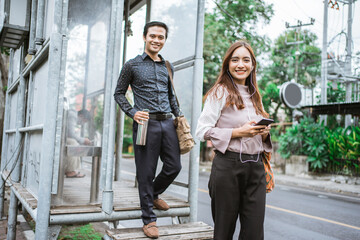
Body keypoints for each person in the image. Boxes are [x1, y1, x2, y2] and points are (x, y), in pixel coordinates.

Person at [196, 40, 272, 240]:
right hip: (227, 166)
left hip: (255, 167)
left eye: (246, 60)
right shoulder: (220, 91)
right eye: (235, 59)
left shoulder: (256, 95)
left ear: (253, 65)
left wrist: (263, 131)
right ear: (228, 64)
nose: (241, 65)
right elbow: (202, 130)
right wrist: (238, 132)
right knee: (224, 232)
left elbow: (258, 135)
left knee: (254, 234)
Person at [114, 21, 181, 239]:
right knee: (146, 172)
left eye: (161, 37)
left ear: (164, 40)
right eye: (153, 36)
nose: (156, 40)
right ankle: (149, 219)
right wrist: (132, 112)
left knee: (174, 166)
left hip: (168, 122)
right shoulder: (132, 65)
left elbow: (171, 95)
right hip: (145, 123)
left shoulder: (167, 66)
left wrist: (178, 116)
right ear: (144, 37)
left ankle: (152, 193)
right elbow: (119, 93)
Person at [65, 109, 92, 178]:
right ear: (81, 116)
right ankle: (70, 171)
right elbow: (70, 134)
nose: (83, 123)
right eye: (84, 121)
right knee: (73, 144)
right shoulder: (72, 115)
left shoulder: (72, 115)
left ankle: (72, 169)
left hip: (62, 137)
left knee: (75, 142)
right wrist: (83, 140)